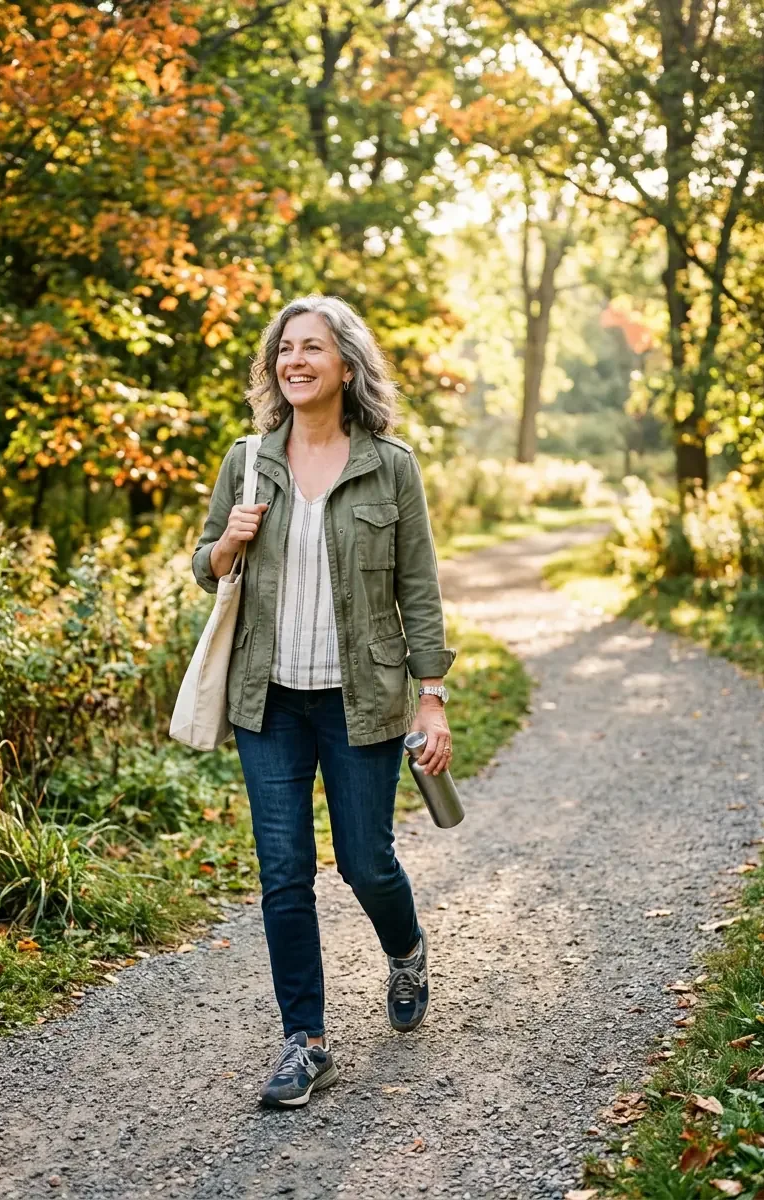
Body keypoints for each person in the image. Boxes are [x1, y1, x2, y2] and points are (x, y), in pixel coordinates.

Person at [191, 294, 456, 1108]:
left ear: (346, 365)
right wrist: (227, 542)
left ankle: (405, 950)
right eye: (284, 349)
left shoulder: (390, 465)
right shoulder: (248, 460)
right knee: (283, 872)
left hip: (361, 699)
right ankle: (304, 1042)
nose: (294, 361)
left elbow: (419, 587)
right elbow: (205, 563)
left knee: (366, 860)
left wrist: (432, 697)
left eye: (312, 347)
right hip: (267, 701)